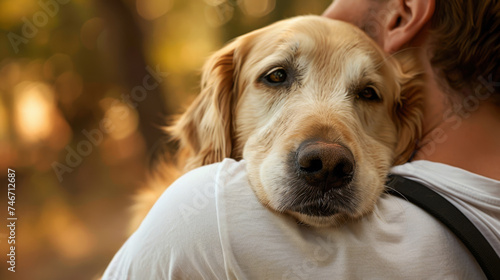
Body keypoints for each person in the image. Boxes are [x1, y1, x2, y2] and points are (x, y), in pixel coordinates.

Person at [102, 0, 500, 279]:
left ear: (402, 13)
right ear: (221, 114)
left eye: (367, 94)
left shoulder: (209, 217)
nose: (327, 157)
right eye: (276, 78)